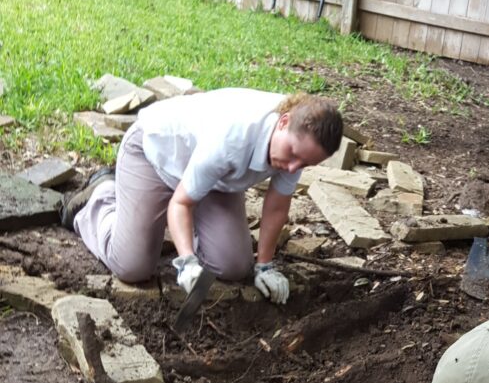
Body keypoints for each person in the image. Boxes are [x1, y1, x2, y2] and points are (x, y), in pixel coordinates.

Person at [61, 88, 343, 305]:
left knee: (233, 265)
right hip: (157, 157)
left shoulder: (298, 145)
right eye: (293, 155)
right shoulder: (234, 137)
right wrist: (187, 263)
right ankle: (99, 197)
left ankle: (188, 234)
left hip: (214, 180)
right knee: (132, 266)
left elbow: (276, 208)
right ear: (283, 123)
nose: (293, 167)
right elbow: (181, 203)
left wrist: (264, 266)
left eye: (304, 164)